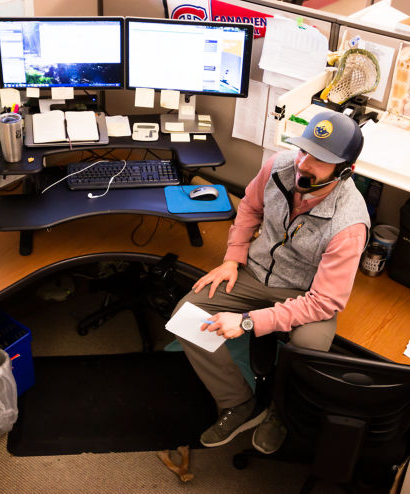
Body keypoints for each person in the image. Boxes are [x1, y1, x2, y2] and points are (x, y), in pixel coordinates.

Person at [173, 111, 370, 454]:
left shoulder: (349, 224)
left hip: (305, 294)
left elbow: (324, 302)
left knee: (309, 346)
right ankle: (238, 401)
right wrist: (233, 258)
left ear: (344, 171)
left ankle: (280, 413)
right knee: (187, 313)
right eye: (305, 150)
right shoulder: (280, 166)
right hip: (255, 270)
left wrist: (249, 322)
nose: (304, 164)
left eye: (320, 159)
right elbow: (249, 206)